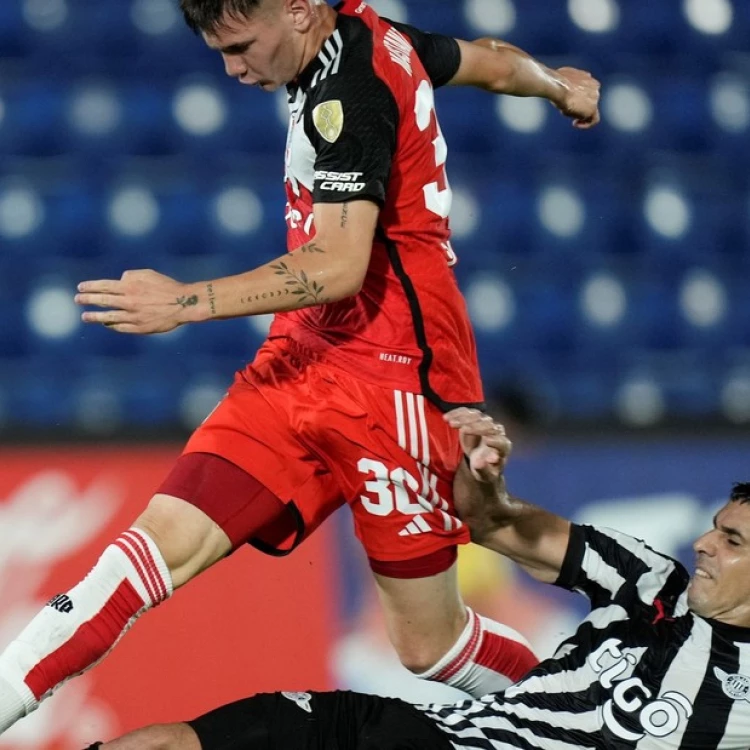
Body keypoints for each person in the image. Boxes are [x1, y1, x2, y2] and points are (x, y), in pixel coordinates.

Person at [0, 0, 601, 734]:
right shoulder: (372, 34)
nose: (233, 69)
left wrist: (186, 301)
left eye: (243, 47)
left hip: (398, 380)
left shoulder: (352, 88)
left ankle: (597, 718)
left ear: (299, 10)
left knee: (430, 647)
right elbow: (491, 60)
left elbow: (343, 263)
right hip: (300, 361)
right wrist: (558, 85)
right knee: (142, 558)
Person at [80, 409, 750, 750]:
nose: (702, 543)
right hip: (428, 735)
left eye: (731, 539)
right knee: (186, 742)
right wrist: (481, 476)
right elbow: (495, 523)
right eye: (716, 526)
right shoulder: (649, 581)